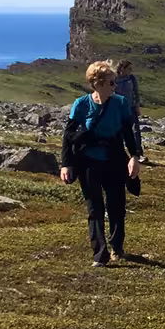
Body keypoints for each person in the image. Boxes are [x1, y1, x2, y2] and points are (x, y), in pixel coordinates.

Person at [60, 59, 142, 267]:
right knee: (94, 208)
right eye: (111, 83)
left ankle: (117, 245)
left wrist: (134, 157)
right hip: (87, 161)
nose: (115, 87)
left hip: (114, 159)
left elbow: (128, 133)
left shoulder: (120, 103)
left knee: (116, 205)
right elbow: (68, 136)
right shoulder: (81, 104)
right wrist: (66, 164)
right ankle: (100, 254)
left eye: (115, 82)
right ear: (97, 83)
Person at [113, 59, 143, 156]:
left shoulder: (131, 78)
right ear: (122, 68)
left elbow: (136, 92)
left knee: (135, 131)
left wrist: (137, 106)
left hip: (131, 108)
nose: (131, 71)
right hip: (118, 109)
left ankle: (138, 154)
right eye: (129, 68)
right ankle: (119, 153)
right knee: (119, 131)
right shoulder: (114, 79)